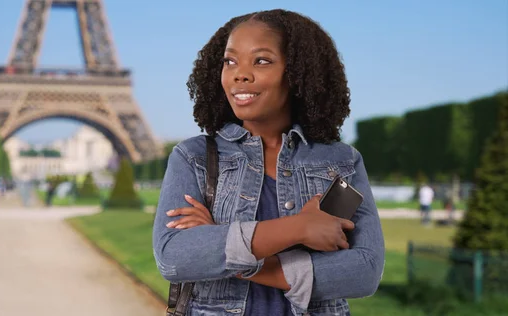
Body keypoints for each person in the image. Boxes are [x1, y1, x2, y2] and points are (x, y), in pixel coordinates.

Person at [152, 9, 385, 316]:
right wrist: (299, 227)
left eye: (261, 60)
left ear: (298, 73)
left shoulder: (340, 162)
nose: (240, 73)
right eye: (230, 61)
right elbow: (174, 257)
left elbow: (364, 270)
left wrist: (223, 249)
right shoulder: (193, 157)